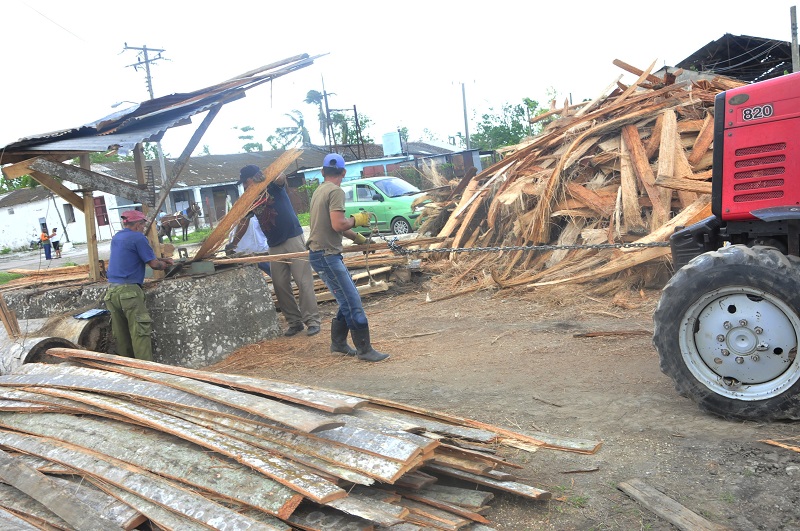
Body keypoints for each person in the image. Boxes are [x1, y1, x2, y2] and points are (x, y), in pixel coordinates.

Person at [306, 153, 389, 362]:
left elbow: (335, 226)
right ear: (344, 172)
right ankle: (364, 350)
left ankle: (339, 343)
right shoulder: (336, 191)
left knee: (347, 298)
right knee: (352, 301)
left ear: (322, 172)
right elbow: (338, 224)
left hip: (322, 254)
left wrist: (359, 239)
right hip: (327, 256)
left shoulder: (319, 191)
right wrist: (356, 219)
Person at [228, 165, 320, 337]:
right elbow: (243, 222)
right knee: (279, 284)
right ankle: (294, 322)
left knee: (303, 281)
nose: (245, 186)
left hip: (292, 237)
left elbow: (281, 177)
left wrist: (268, 177)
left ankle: (312, 321)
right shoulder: (251, 198)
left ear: (253, 177)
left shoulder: (272, 186)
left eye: (246, 182)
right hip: (274, 244)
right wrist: (233, 242)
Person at [104, 209, 174, 361]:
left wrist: (159, 259)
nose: (143, 228)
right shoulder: (138, 237)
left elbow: (134, 254)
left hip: (112, 292)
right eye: (142, 225)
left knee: (121, 335)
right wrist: (165, 265)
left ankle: (128, 370)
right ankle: (146, 371)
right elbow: (154, 265)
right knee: (140, 332)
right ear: (137, 225)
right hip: (129, 292)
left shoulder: (117, 237)